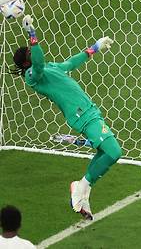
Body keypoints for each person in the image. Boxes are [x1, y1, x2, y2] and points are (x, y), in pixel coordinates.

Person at [10, 15, 118, 220]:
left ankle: (83, 191)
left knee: (106, 152)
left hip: (90, 110)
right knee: (114, 152)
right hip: (82, 115)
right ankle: (81, 187)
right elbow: (39, 63)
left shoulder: (50, 67)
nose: (33, 51)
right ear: (26, 61)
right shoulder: (33, 76)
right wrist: (32, 33)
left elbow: (70, 63)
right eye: (30, 52)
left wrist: (94, 47)